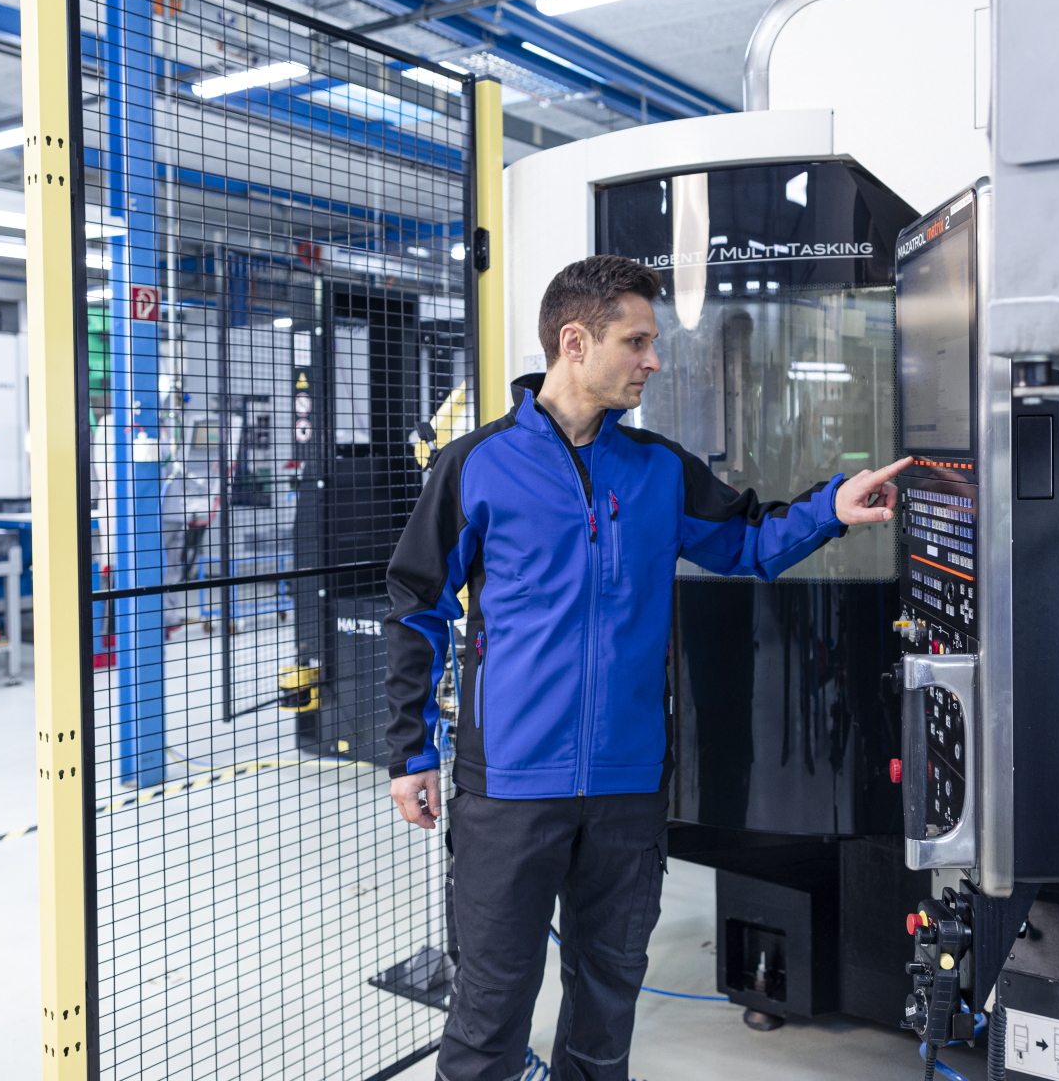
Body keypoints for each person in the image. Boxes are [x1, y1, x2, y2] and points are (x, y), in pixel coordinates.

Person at [384, 254, 911, 1081]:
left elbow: (745, 542)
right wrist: (410, 751)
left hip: (627, 791)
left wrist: (828, 512)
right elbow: (416, 603)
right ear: (574, 343)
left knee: (605, 1012)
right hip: (510, 790)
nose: (653, 360)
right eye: (636, 341)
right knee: (489, 1014)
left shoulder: (658, 469)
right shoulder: (477, 465)